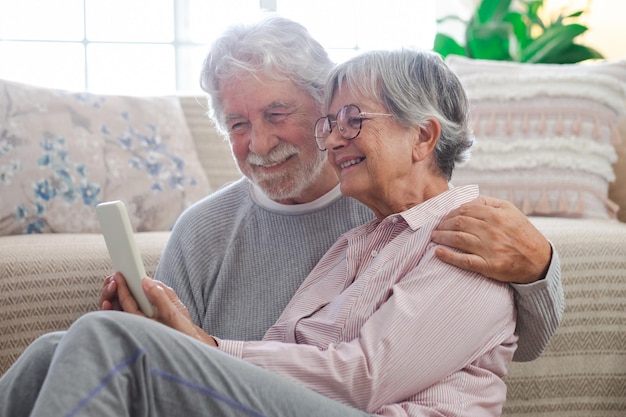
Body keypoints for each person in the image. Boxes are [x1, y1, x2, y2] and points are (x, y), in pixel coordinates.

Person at [2, 47, 517, 417]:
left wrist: (203, 344)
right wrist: (178, 336)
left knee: (107, 339)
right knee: (57, 347)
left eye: (352, 120)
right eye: (332, 122)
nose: (335, 138)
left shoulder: (473, 241)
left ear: (423, 136)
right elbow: (283, 351)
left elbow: (361, 379)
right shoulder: (365, 239)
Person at [150, 14, 562, 360]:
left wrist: (538, 269)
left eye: (277, 114)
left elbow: (516, 344)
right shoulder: (200, 231)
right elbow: (163, 367)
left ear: (323, 106)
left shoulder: (396, 201)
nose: (258, 144)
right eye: (237, 125)